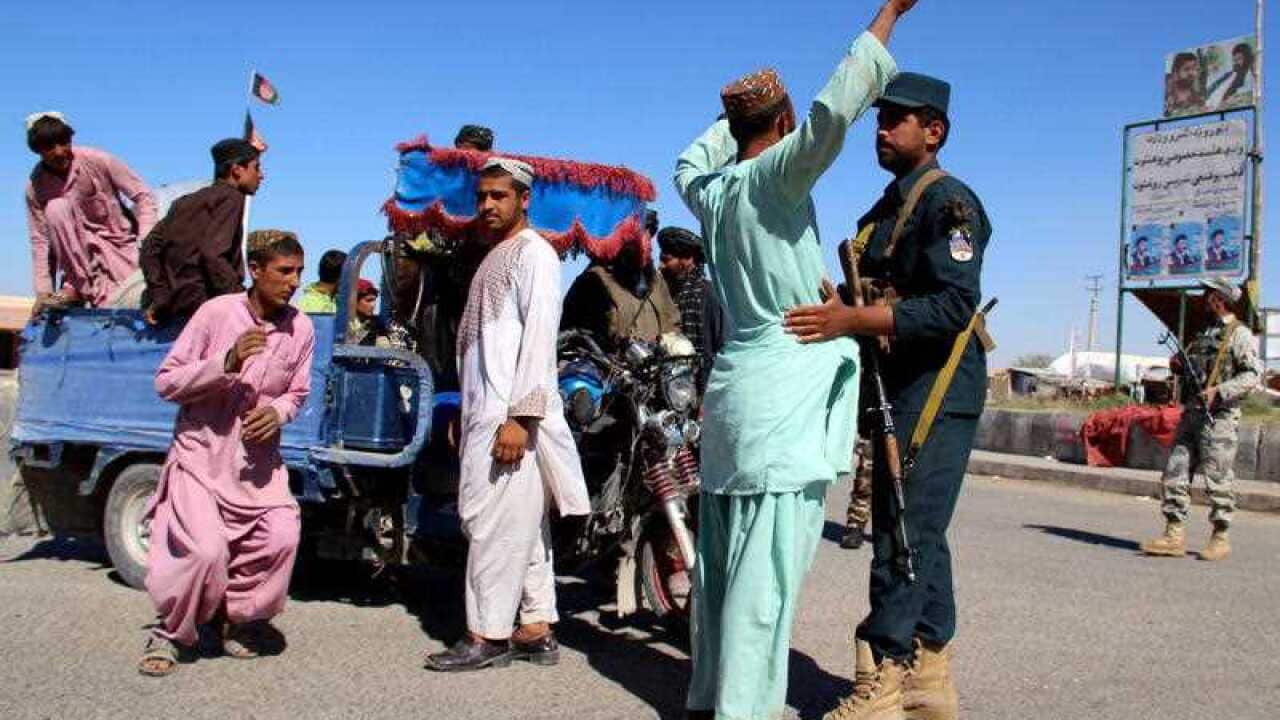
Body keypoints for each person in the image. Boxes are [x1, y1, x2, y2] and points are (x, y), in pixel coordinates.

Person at [673, 2, 912, 717]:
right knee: (763, 577)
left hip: (740, 387)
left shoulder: (708, 194)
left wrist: (742, 115)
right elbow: (832, 113)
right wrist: (890, 15)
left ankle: (712, 696)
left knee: (721, 567)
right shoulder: (775, 176)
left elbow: (689, 160)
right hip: (782, 386)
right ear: (779, 129)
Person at [784, 70, 991, 719]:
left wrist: (855, 320)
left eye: (897, 118)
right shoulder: (884, 209)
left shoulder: (949, 203)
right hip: (895, 378)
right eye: (879, 117)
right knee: (918, 524)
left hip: (938, 383)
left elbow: (954, 305)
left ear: (934, 131)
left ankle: (883, 674)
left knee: (902, 527)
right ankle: (930, 676)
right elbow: (875, 291)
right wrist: (839, 303)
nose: (882, 127)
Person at [424, 158, 589, 672]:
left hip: (511, 420)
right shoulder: (497, 254)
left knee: (493, 526)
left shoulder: (535, 254)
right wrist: (467, 411)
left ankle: (487, 635)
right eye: (483, 197)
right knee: (520, 525)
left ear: (524, 200)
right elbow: (484, 350)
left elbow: (539, 339)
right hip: (486, 413)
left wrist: (521, 418)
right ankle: (536, 628)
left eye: (500, 196)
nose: (488, 205)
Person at [137, 230, 314, 676]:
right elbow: (167, 382)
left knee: (281, 537)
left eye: (298, 272)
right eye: (284, 271)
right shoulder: (216, 314)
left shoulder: (302, 327)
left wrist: (278, 412)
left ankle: (239, 620)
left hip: (257, 466)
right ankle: (171, 632)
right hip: (201, 457)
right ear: (255, 270)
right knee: (204, 551)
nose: (293, 282)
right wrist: (227, 363)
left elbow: (298, 392)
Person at [1139, 278, 1262, 562]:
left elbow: (1252, 376)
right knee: (1174, 471)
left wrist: (1219, 391)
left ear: (1220, 298)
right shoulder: (1203, 333)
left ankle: (1220, 537)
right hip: (1192, 414)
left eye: (1209, 294)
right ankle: (1174, 534)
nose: (1204, 298)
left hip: (1218, 417)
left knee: (1217, 479)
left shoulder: (1239, 334)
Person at [24, 112, 157, 310]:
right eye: (49, 147)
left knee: (133, 302)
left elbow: (144, 197)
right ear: (38, 151)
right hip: (78, 269)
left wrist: (146, 243)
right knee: (56, 208)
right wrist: (44, 291)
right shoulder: (36, 187)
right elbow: (41, 241)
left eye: (63, 142)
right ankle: (76, 289)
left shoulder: (98, 160)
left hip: (120, 251)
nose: (59, 152)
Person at [139, 138, 263, 325]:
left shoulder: (184, 202)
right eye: (256, 168)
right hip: (208, 310)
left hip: (176, 310)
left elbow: (149, 248)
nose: (261, 175)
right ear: (237, 170)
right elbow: (213, 253)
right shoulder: (232, 197)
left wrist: (160, 296)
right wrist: (240, 302)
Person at [560, 237, 681, 353]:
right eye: (640, 232)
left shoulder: (656, 280)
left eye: (650, 232)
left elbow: (672, 325)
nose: (647, 241)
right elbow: (577, 339)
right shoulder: (593, 281)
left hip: (658, 369)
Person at [656, 226, 725, 387]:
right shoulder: (666, 296)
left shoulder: (709, 294)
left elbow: (723, 349)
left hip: (701, 390)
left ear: (688, 260)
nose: (660, 266)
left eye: (666, 260)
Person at [1206, 42, 1256, 109]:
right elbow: (1214, 87)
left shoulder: (1250, 75)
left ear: (1247, 58)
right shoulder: (1230, 74)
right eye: (1234, 60)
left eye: (1239, 59)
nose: (1236, 63)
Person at [348, 278, 387, 346]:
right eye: (368, 300)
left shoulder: (378, 324)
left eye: (374, 300)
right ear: (354, 302)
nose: (373, 305)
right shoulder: (343, 324)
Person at [1165, 52, 1205, 116]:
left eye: (1194, 69)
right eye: (1187, 69)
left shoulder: (1197, 99)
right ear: (1176, 71)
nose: (1192, 73)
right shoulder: (1166, 89)